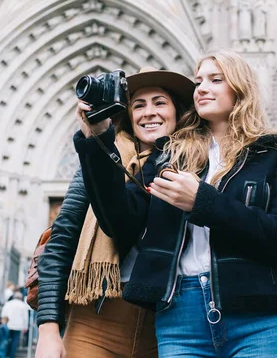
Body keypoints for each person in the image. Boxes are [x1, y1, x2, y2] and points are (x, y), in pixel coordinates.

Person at [75, 50, 277, 357]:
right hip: (180, 317)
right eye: (198, 81)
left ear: (240, 88)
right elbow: (120, 222)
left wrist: (204, 202)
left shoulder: (275, 152)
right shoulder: (168, 156)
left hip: (257, 315)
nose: (201, 87)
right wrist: (99, 137)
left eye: (215, 79)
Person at [35, 67, 195, 358]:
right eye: (138, 105)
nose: (149, 112)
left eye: (159, 102)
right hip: (95, 321)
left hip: (169, 323)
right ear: (127, 115)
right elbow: (61, 242)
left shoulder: (198, 164)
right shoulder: (98, 160)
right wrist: (48, 330)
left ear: (178, 111)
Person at [1, 292, 28, 358]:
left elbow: (3, 314)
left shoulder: (8, 303)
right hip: (18, 326)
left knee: (6, 340)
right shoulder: (23, 305)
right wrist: (25, 327)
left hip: (8, 324)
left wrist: (3, 323)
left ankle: (4, 355)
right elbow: (25, 317)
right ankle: (11, 355)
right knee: (14, 341)